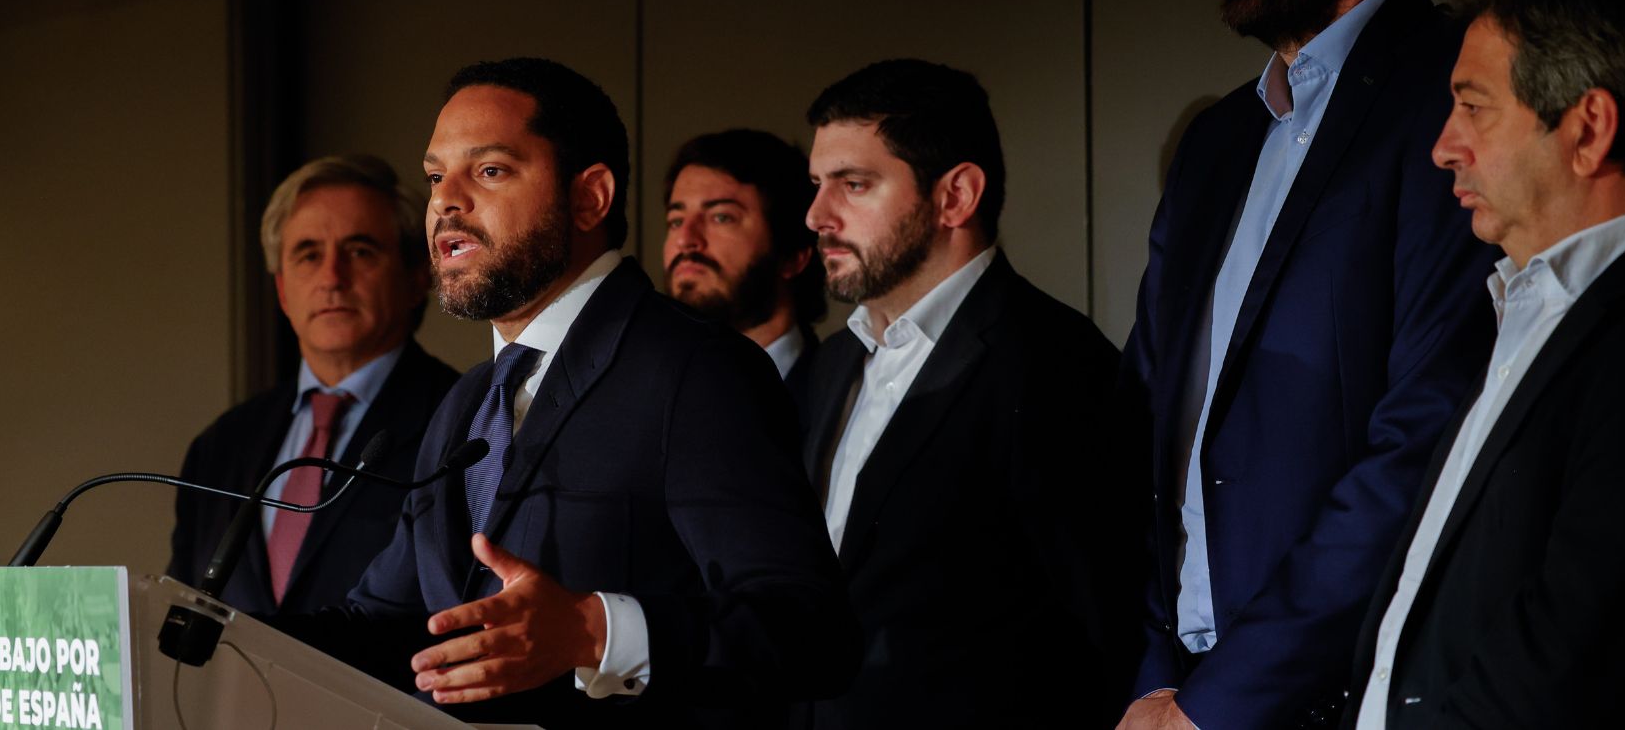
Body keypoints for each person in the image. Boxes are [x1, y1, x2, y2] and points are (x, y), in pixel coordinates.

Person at [289, 58, 856, 729]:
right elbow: (381, 623)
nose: (446, 201)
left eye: (490, 170)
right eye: (438, 175)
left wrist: (596, 631)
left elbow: (806, 628)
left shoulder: (693, 368)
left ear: (590, 196)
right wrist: (191, 634)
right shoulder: (466, 403)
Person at [1117, 0, 1499, 730]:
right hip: (1174, 685)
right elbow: (1149, 418)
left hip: (1345, 689)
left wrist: (1229, 696)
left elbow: (1426, 433)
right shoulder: (1214, 144)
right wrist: (1155, 676)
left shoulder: (1454, 102)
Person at [793, 59, 1142, 728]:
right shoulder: (831, 365)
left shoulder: (1055, 363)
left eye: (854, 184)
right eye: (817, 186)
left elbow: (1104, 627)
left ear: (955, 195)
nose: (817, 215)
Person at [1343, 0, 1625, 728]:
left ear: (1587, 130)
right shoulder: (1519, 305)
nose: (1443, 147)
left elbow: (1571, 640)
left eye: (1474, 108)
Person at [168, 154, 459, 616]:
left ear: (417, 277)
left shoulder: (465, 421)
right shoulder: (220, 446)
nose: (331, 279)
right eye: (308, 255)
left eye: (360, 251)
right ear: (283, 290)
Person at [662, 128, 825, 394]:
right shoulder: (645, 389)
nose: (685, 240)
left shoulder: (838, 397)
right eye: (676, 221)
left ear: (793, 256)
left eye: (721, 217)